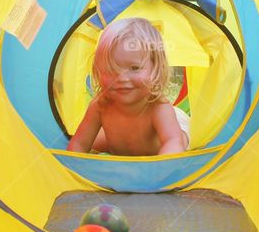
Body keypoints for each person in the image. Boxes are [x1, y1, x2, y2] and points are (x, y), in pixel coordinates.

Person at [67, 17, 189, 156]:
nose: (122, 79)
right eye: (111, 70)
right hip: (122, 143)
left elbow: (172, 142)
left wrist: (160, 171)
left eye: (135, 68)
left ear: (155, 68)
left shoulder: (159, 107)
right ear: (98, 70)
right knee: (94, 142)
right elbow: (78, 144)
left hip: (176, 125)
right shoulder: (100, 106)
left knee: (180, 142)